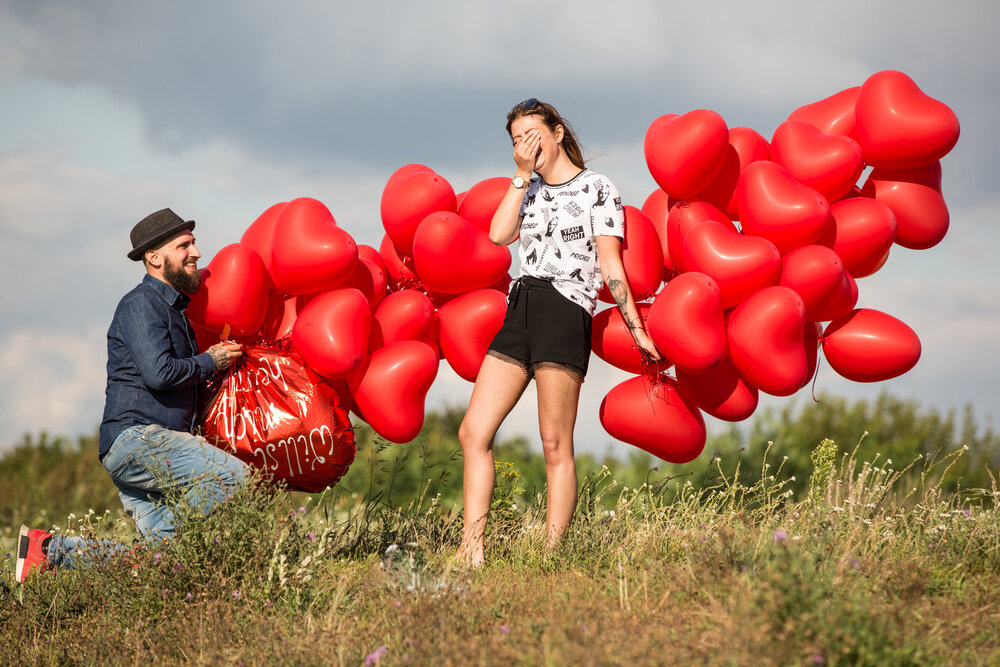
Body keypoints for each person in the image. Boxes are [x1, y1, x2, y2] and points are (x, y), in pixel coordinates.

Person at [456, 99, 661, 565]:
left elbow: (611, 266)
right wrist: (520, 174)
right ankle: (471, 552)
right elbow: (497, 235)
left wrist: (638, 330)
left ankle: (551, 556)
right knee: (474, 432)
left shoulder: (597, 188)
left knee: (554, 442)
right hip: (520, 306)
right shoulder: (524, 187)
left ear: (558, 133)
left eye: (531, 134)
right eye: (516, 140)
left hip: (565, 309)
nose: (524, 145)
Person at [16, 208, 248, 583]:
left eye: (194, 243)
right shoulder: (141, 304)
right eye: (184, 245)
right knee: (234, 478)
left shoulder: (177, 314)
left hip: (140, 446)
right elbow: (160, 374)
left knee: (163, 562)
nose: (197, 253)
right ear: (154, 257)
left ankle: (46, 549)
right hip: (138, 440)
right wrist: (211, 361)